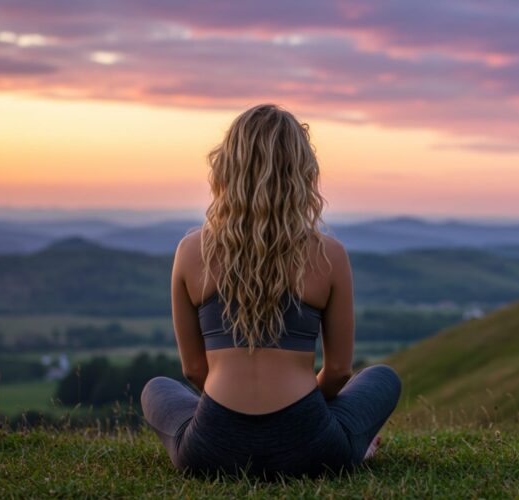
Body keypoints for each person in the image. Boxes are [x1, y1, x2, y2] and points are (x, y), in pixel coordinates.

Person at [140, 104, 402, 479]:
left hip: (212, 449)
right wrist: (302, 417)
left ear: (226, 167)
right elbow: (339, 371)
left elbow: (194, 370)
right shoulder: (329, 255)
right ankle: (351, 447)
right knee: (382, 378)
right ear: (302, 171)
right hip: (311, 448)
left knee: (157, 389)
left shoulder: (191, 251)